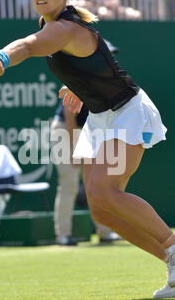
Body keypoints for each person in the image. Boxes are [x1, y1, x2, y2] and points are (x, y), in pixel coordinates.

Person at [0, 0, 175, 298]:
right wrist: (77, 88)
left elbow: (27, 46)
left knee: (104, 191)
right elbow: (94, 63)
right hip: (102, 117)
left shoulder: (64, 28)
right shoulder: (52, 23)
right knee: (101, 208)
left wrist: (1, 57)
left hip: (127, 112)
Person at [51, 98, 122, 246]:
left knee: (96, 184)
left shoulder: (100, 85)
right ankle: (63, 235)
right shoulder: (79, 80)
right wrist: (76, 149)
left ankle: (105, 232)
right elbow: (69, 114)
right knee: (69, 184)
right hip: (65, 130)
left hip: (88, 131)